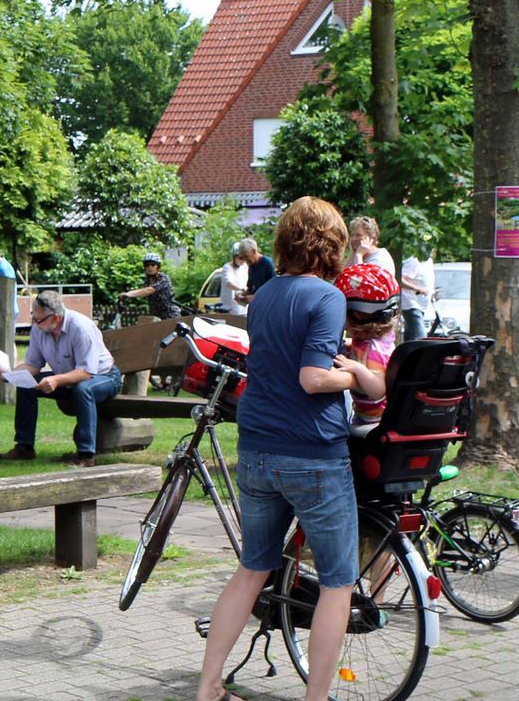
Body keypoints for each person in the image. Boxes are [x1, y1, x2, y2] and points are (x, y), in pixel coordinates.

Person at [196, 198, 385, 701]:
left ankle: (209, 686)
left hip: (257, 449)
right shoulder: (326, 297)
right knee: (338, 583)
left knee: (253, 568)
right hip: (313, 456)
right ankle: (317, 698)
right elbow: (312, 377)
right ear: (332, 243)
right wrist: (354, 376)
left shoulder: (264, 295)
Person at [0, 290, 123, 467]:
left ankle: (86, 455)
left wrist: (56, 380)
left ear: (55, 318)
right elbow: (33, 365)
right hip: (69, 375)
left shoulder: (81, 328)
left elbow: (85, 373)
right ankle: (24, 447)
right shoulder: (39, 329)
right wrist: (10, 375)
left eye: (38, 319)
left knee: (83, 389)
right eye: (34, 316)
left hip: (104, 376)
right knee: (26, 385)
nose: (34, 323)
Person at [336, 263, 400, 428]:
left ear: (356, 314)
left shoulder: (373, 351)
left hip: (374, 422)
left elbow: (378, 389)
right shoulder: (378, 341)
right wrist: (350, 346)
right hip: (367, 417)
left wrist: (357, 368)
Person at [122, 252, 180, 318]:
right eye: (147, 265)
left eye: (153, 265)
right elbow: (142, 293)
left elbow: (149, 290)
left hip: (170, 315)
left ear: (157, 266)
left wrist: (128, 294)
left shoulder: (163, 278)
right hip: (156, 316)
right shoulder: (147, 281)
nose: (150, 267)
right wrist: (125, 297)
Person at [399, 251, 436, 341]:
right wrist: (417, 288)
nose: (432, 250)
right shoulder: (413, 261)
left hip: (422, 305)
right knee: (420, 338)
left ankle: (406, 354)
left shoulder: (429, 262)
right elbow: (401, 280)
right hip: (411, 305)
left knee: (410, 339)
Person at [236, 237, 276, 308]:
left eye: (246, 256)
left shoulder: (267, 264)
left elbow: (274, 290)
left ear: (254, 251)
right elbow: (251, 289)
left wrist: (254, 297)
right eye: (243, 258)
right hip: (255, 307)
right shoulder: (251, 267)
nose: (245, 260)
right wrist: (241, 295)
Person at [219, 243, 249, 316]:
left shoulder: (245, 267)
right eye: (240, 258)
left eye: (245, 259)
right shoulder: (227, 268)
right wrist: (242, 289)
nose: (243, 261)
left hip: (243, 308)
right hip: (230, 309)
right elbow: (229, 283)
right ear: (234, 257)